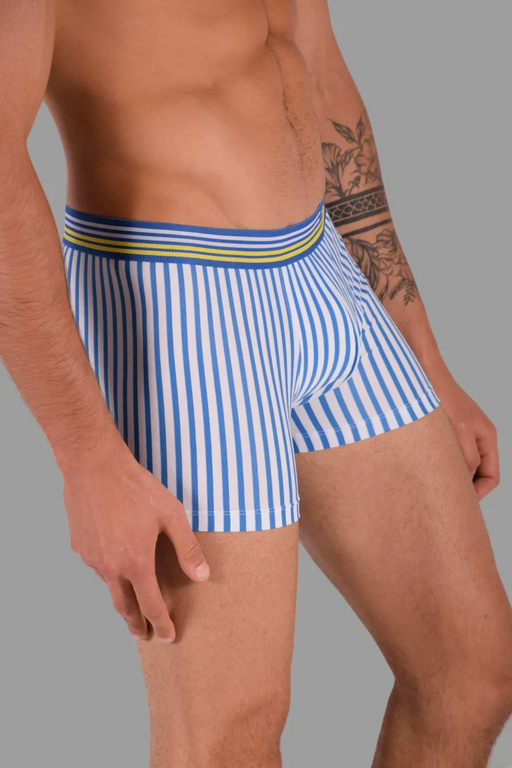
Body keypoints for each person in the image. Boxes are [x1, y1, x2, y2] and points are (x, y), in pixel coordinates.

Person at [1, 1, 511, 766]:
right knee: (229, 741)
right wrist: (87, 459)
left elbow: (316, 63)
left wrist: (423, 355)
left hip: (321, 269)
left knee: (472, 670)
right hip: (176, 299)